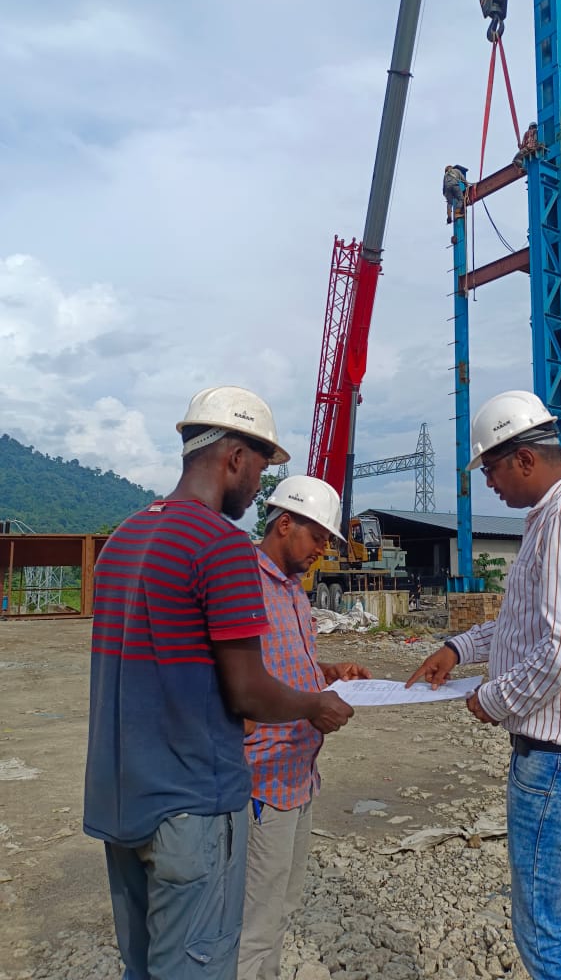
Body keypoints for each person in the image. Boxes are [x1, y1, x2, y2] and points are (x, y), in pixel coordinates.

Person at [83, 387, 354, 980]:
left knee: (142, 966)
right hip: (190, 805)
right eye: (259, 467)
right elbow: (247, 691)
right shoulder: (221, 545)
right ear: (235, 457)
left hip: (120, 799)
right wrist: (315, 703)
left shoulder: (122, 541)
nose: (257, 487)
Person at [406, 390, 561, 980]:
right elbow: (525, 625)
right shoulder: (554, 520)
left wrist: (493, 699)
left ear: (526, 459)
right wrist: (457, 648)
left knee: (545, 939)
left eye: (490, 469)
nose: (488, 483)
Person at [239, 476, 370, 980]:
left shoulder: (293, 590)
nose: (322, 550)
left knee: (281, 907)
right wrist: (311, 705)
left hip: (299, 778)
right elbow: (241, 687)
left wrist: (327, 673)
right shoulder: (244, 584)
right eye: (317, 537)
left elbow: (283, 666)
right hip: (262, 782)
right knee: (253, 921)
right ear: (284, 523)